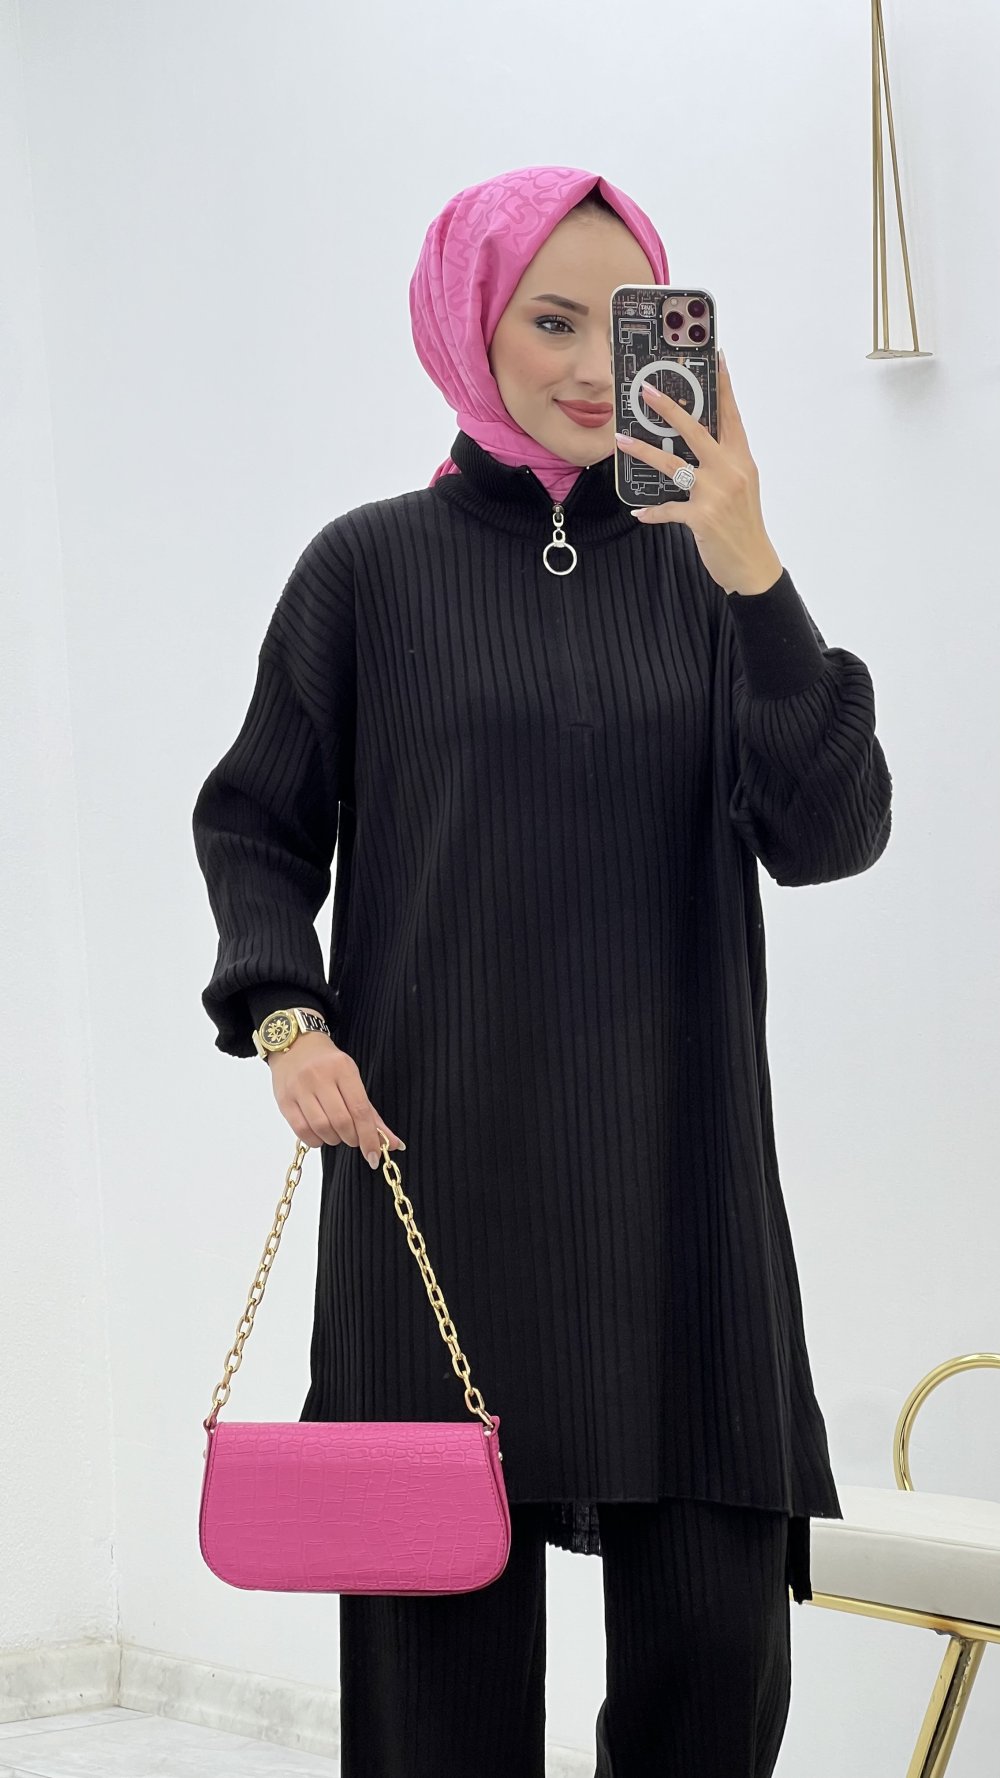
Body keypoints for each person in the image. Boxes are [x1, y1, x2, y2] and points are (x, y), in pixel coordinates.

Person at [192, 163, 893, 1778]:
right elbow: (254, 822)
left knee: (714, 1677)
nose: (591, 366)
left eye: (625, 324)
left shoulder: (712, 581)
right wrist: (287, 1014)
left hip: (683, 1203)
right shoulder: (367, 569)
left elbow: (832, 828)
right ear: (469, 326)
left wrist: (752, 556)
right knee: (437, 1709)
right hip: (434, 1176)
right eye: (550, 321)